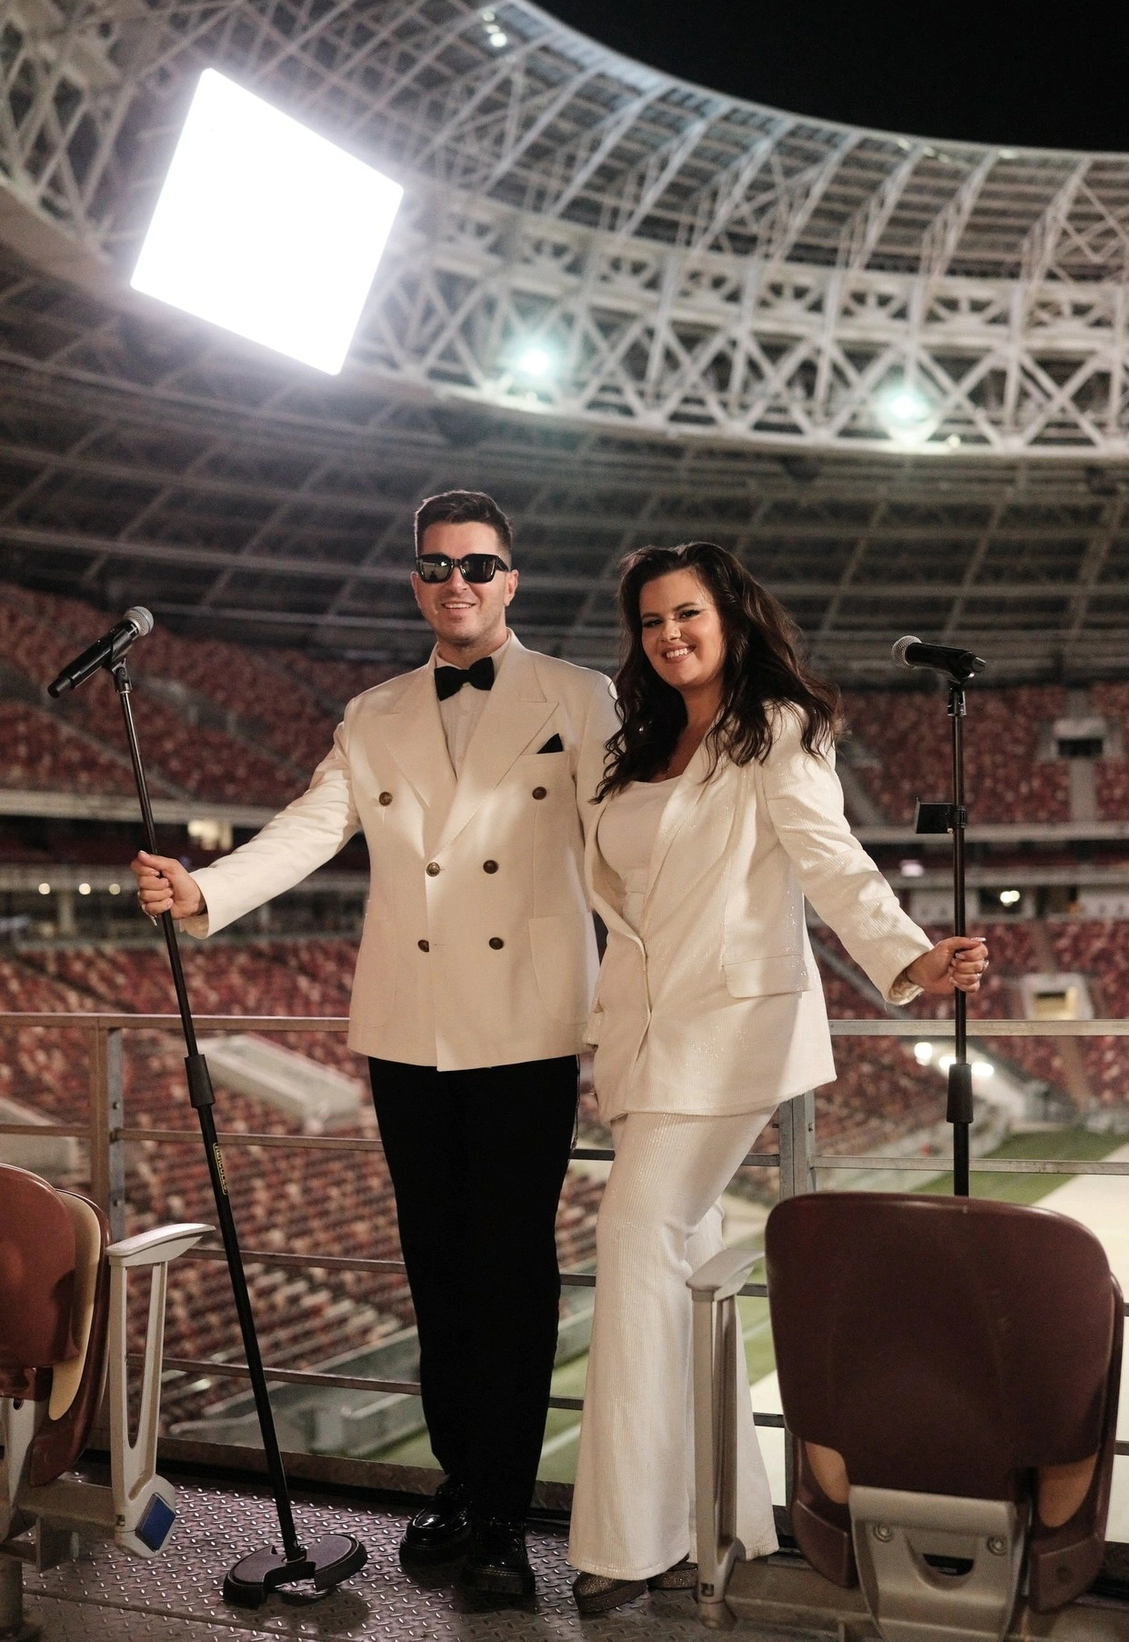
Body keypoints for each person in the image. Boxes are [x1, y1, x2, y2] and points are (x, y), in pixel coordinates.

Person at [131, 490, 616, 1603]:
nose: (458, 583)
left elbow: (624, 840)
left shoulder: (579, 695)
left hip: (529, 1027)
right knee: (435, 1269)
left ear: (511, 579)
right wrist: (206, 889)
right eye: (438, 566)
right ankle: (459, 1482)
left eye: (478, 565)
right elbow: (312, 825)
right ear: (416, 582)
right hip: (407, 1030)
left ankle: (504, 1515)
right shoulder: (374, 711)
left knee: (512, 1273)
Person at [567, 542, 989, 1616]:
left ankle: (628, 1541)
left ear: (731, 616)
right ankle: (719, 1516)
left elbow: (829, 859)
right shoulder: (636, 745)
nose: (669, 634)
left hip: (733, 1030)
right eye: (652, 620)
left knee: (635, 1236)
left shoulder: (778, 728)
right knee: (681, 1255)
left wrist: (908, 957)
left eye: (688, 613)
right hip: (642, 1037)